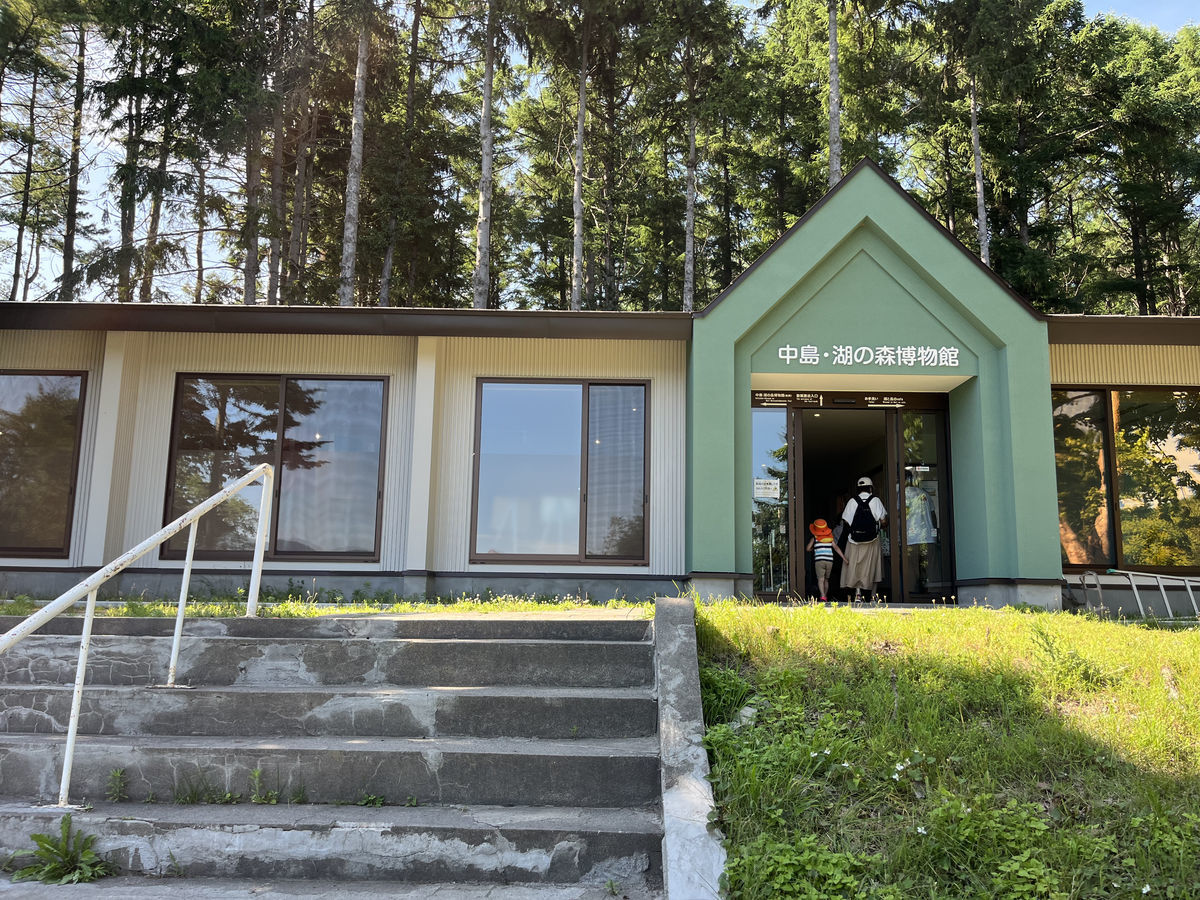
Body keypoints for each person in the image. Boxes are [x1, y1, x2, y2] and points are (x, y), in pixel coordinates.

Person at [840, 476, 888, 600]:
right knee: (874, 566)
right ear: (871, 488)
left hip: (854, 540)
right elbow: (883, 521)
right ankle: (873, 595)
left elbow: (846, 521)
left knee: (856, 566)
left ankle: (858, 594)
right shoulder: (875, 500)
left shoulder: (852, 501)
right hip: (872, 539)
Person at [806, 518, 847, 601]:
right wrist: (844, 558)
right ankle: (826, 596)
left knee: (821, 579)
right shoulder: (830, 538)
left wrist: (813, 548)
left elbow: (807, 548)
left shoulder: (815, 538)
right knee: (826, 580)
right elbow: (836, 548)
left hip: (819, 561)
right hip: (829, 561)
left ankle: (823, 596)